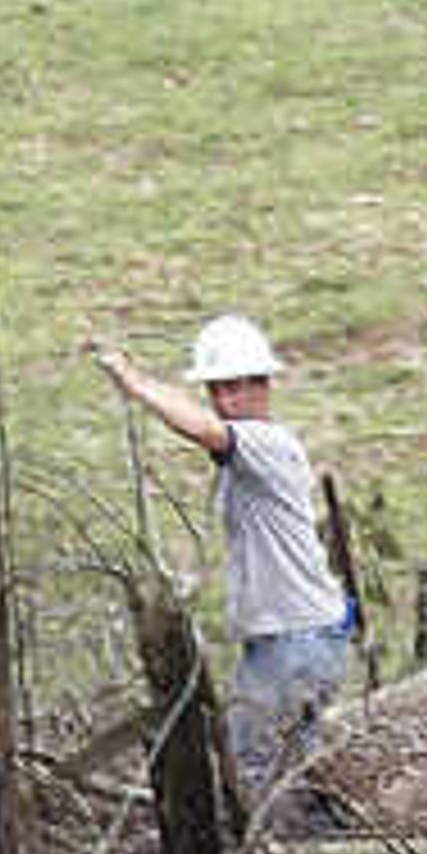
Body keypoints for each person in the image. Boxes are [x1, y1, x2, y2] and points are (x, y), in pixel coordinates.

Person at [96, 311, 361, 803]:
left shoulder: (264, 443)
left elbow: (205, 431)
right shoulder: (253, 453)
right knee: (290, 772)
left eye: (235, 388)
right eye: (215, 389)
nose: (224, 400)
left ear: (263, 386)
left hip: (295, 641)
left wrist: (133, 382)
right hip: (296, 638)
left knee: (252, 771)